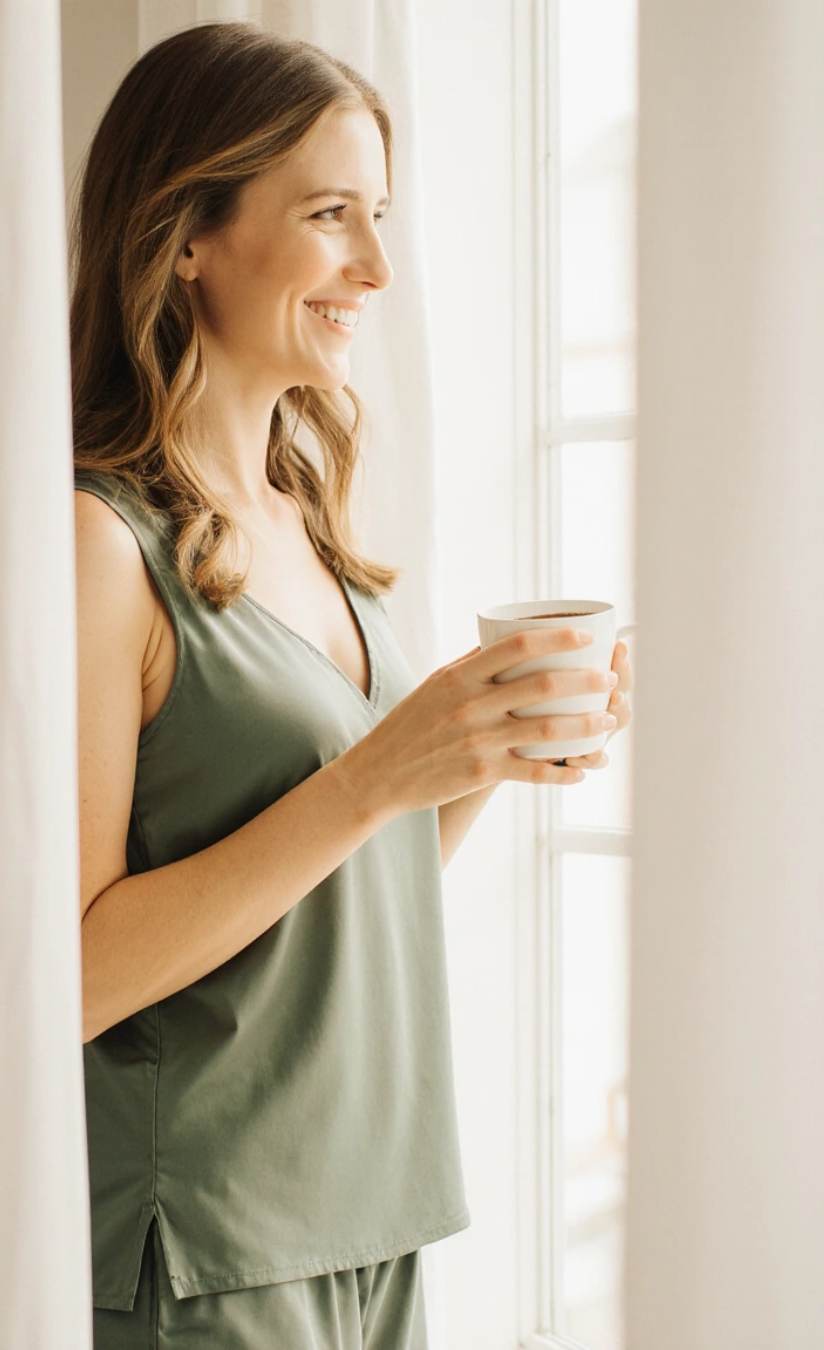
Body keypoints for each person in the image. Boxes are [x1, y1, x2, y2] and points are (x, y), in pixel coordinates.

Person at [70, 20, 632, 1349]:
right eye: (332, 216)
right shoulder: (99, 543)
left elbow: (339, 892)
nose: (377, 267)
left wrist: (479, 753)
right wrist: (381, 767)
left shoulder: (317, 529)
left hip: (372, 1208)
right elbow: (75, 970)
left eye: (380, 215)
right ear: (185, 232)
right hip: (211, 1237)